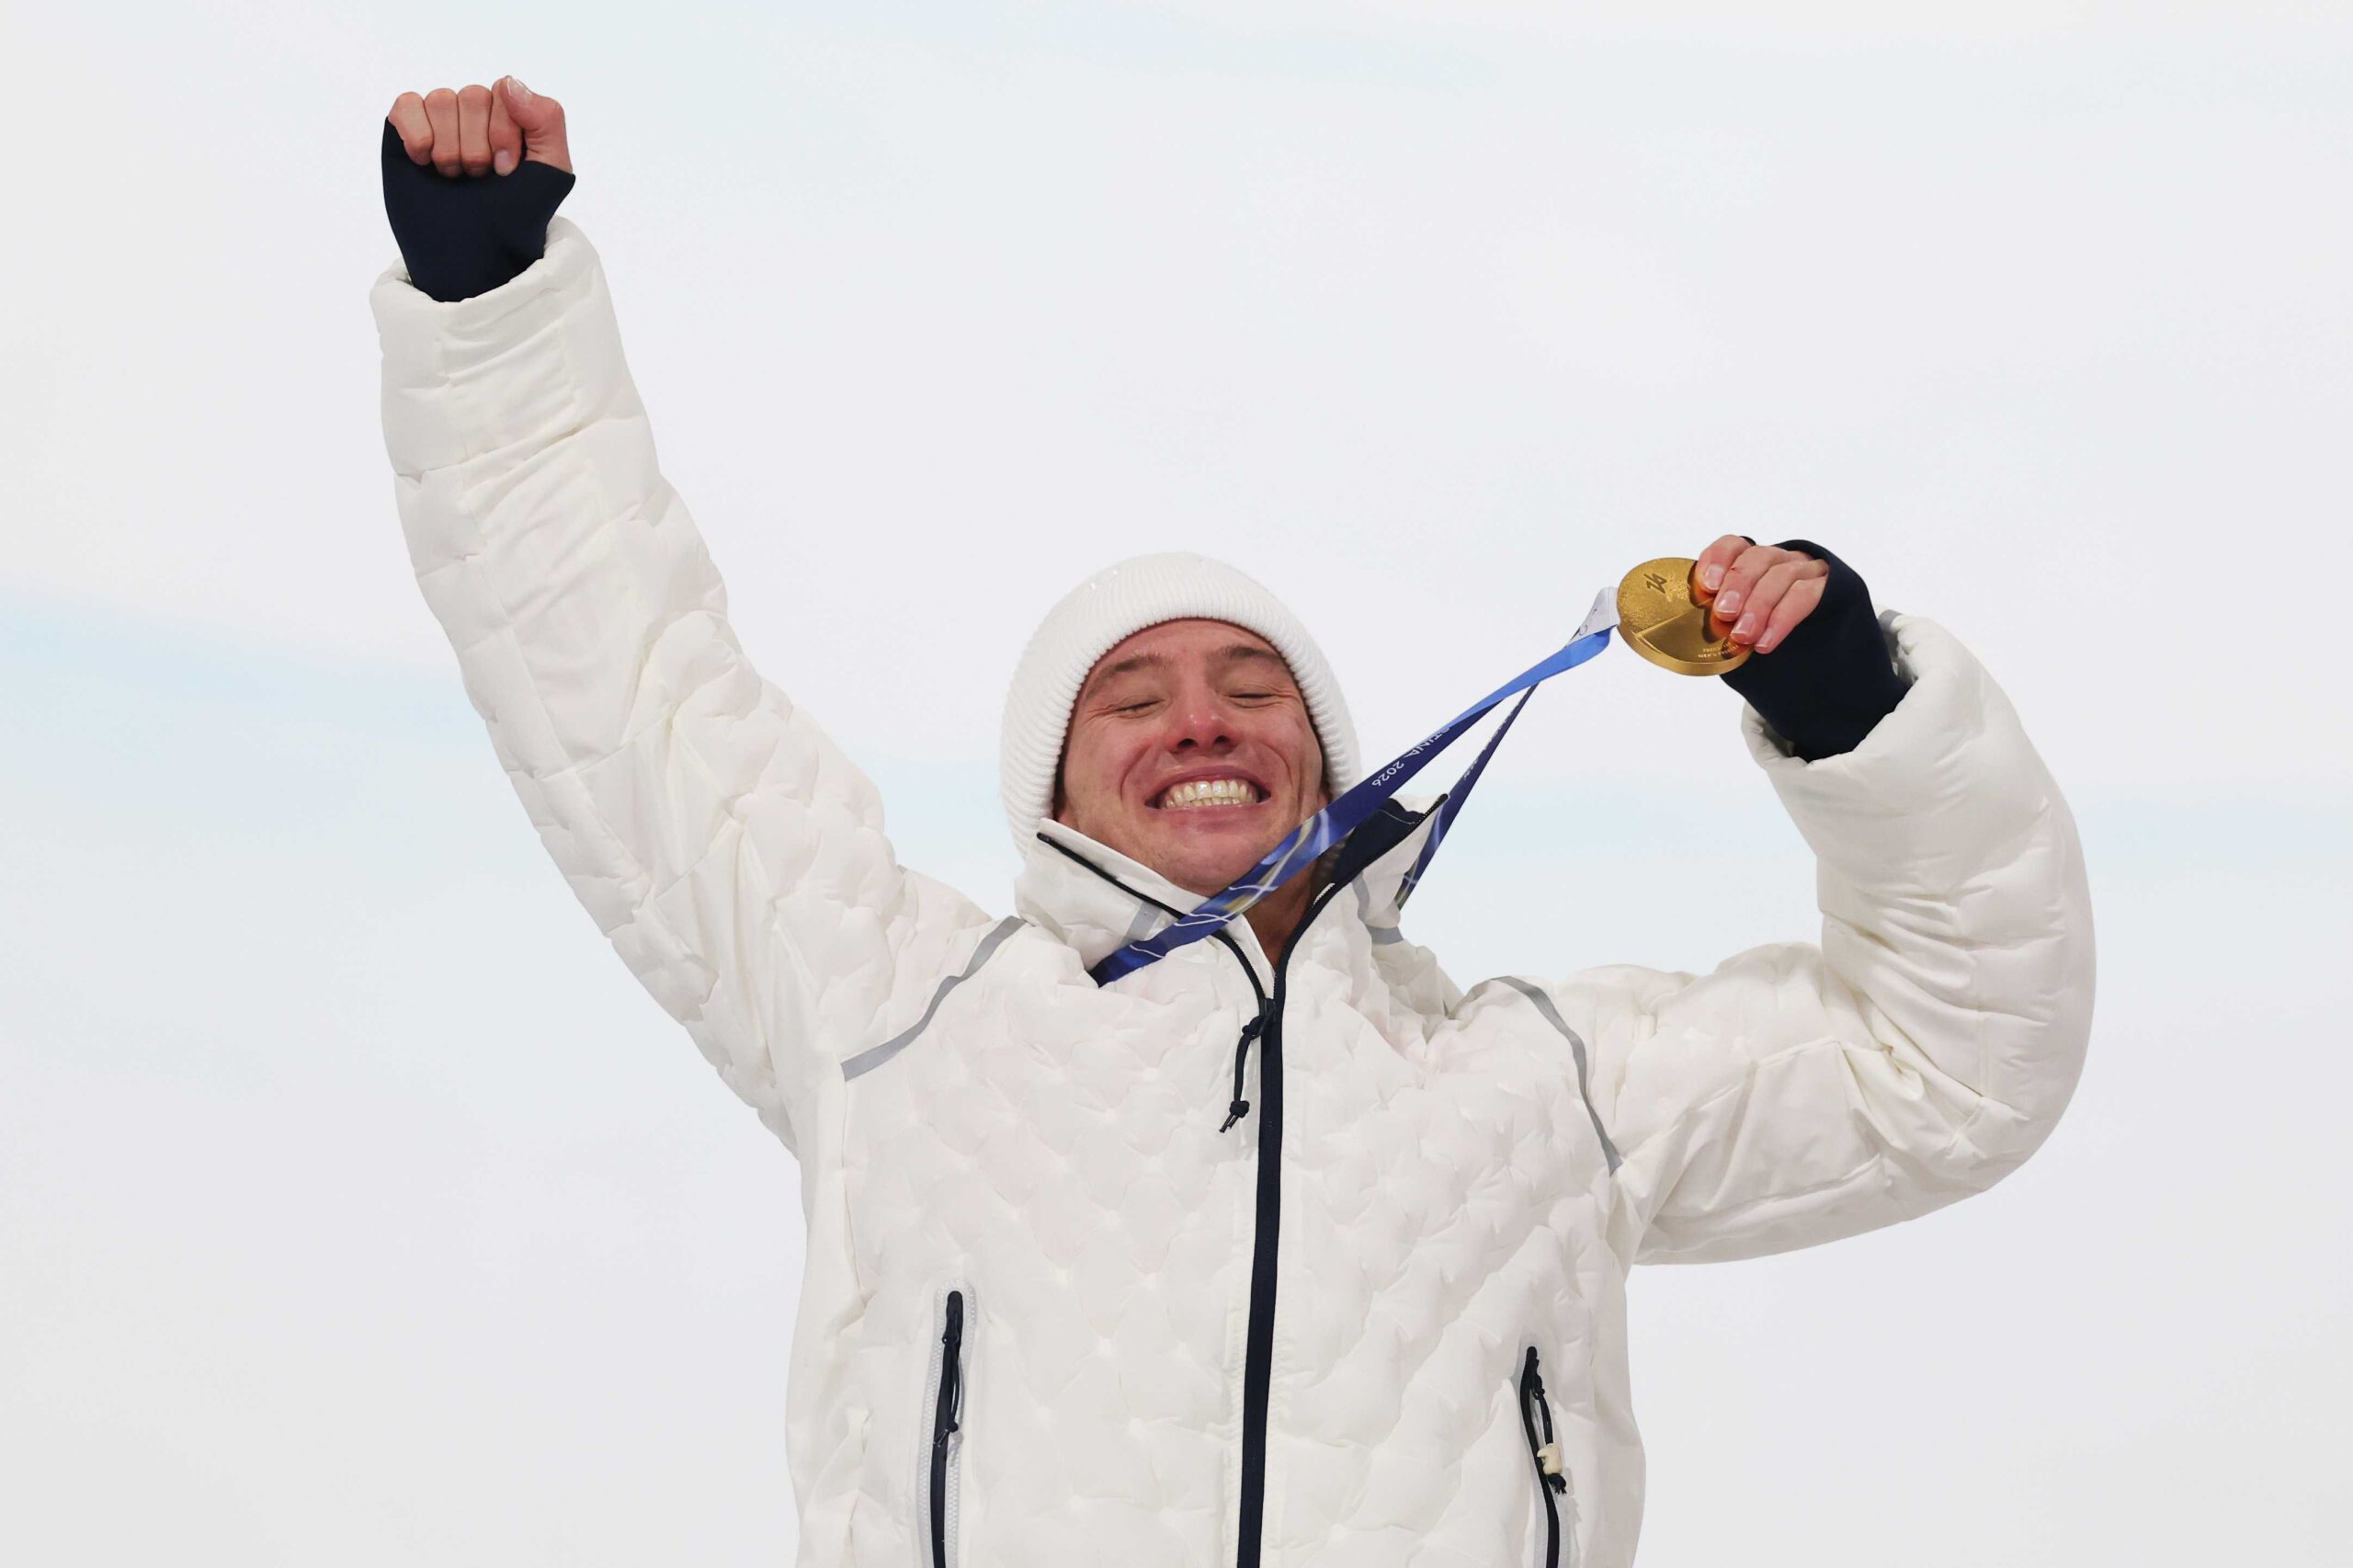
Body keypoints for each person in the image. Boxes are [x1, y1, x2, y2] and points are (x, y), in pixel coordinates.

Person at [372, 77, 2096, 1568]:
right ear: (1055, 788)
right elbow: (626, 692)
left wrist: (1859, 713)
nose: (1199, 717)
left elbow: (1950, 1070)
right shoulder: (890, 1012)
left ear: (1329, 760)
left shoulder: (1534, 1087)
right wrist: (493, 308)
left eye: (1253, 688)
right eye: (1129, 697)